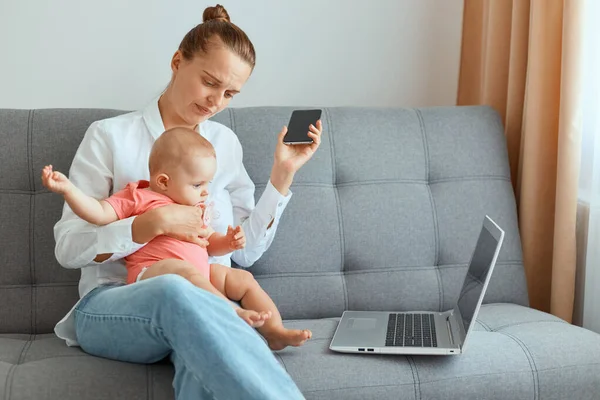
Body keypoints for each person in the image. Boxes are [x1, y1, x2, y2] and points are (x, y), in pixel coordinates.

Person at [52, 4, 323, 399]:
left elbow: (244, 253)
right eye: (209, 82)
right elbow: (68, 247)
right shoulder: (110, 136)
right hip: (115, 303)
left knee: (203, 357)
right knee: (177, 290)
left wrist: (283, 176)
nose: (216, 101)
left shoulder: (225, 145)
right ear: (178, 62)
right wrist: (150, 225)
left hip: (208, 306)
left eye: (230, 93)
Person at [43, 127, 312, 349]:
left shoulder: (194, 209)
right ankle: (232, 313)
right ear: (163, 181)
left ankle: (274, 330)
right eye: (198, 185)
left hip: (199, 274)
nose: (206, 192)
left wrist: (227, 243)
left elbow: (208, 242)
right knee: (181, 270)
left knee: (242, 279)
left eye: (208, 183)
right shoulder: (139, 196)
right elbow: (99, 213)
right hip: (154, 273)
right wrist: (69, 190)